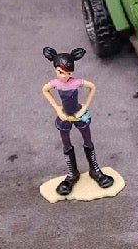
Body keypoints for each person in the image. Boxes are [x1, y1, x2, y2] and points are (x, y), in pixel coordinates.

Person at [41, 47, 114, 195]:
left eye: (68, 73)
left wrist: (85, 106)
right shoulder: (55, 83)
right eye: (60, 72)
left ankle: (95, 170)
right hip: (65, 116)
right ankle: (72, 173)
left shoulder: (76, 83)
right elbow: (45, 90)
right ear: (55, 70)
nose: (64, 76)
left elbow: (92, 87)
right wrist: (57, 109)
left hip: (79, 114)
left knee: (88, 141)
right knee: (66, 144)